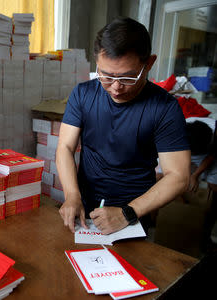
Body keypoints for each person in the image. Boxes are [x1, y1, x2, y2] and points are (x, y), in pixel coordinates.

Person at [56, 17, 191, 235]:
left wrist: (127, 213)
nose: (116, 88)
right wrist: (72, 196)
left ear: (149, 64)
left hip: (134, 213)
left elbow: (178, 176)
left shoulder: (165, 108)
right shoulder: (83, 94)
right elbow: (65, 148)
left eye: (128, 77)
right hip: (86, 207)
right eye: (106, 76)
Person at [185, 117, 217, 249]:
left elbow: (212, 156)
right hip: (186, 152)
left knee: (214, 188)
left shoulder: (214, 133)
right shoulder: (179, 129)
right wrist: (187, 174)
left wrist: (195, 175)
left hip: (212, 155)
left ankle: (205, 232)